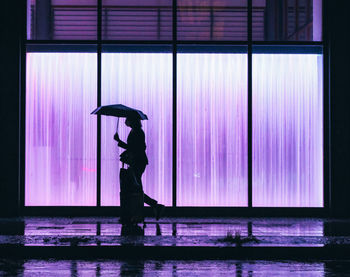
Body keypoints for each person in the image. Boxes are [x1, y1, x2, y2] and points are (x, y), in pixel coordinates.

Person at [114, 116, 165, 220]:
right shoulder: (136, 131)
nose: (126, 121)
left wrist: (120, 142)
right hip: (138, 162)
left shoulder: (137, 132)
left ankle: (150, 207)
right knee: (136, 187)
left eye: (127, 119)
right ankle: (152, 207)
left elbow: (137, 147)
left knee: (136, 188)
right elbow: (136, 147)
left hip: (137, 162)